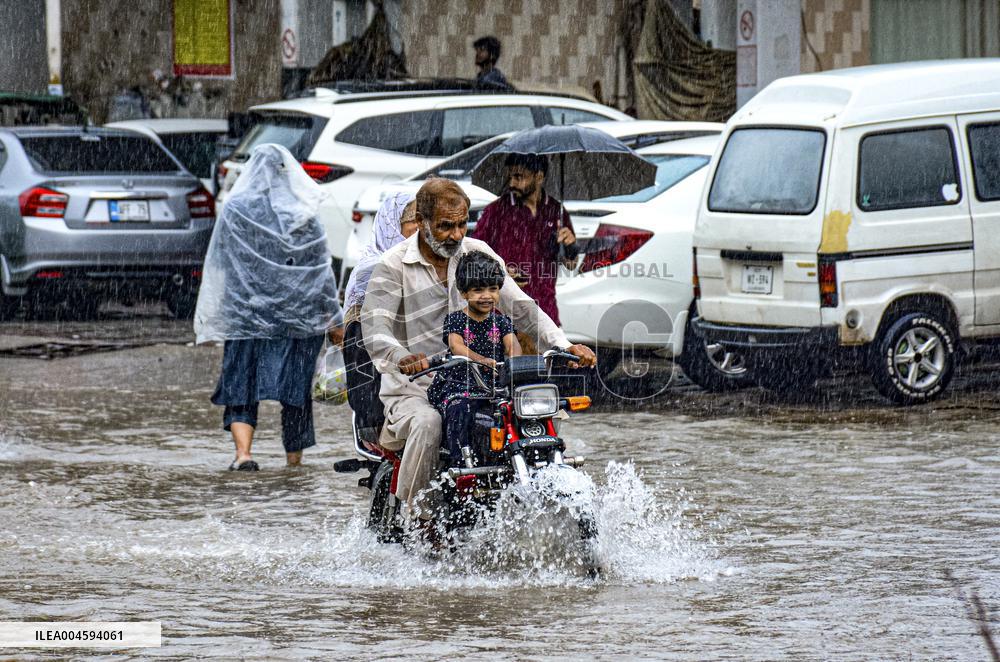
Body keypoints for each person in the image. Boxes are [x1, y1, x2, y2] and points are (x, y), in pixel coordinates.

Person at [361, 177, 595, 522]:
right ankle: (416, 519)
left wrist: (563, 344)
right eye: (444, 226)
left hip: (487, 382)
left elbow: (523, 308)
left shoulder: (478, 253)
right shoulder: (392, 265)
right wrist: (402, 358)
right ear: (422, 221)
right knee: (428, 424)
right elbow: (375, 329)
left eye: (461, 224)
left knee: (538, 418)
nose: (456, 235)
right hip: (418, 388)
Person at [194, 144, 343, 471]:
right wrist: (334, 319)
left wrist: (218, 314)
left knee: (241, 385)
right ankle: (294, 462)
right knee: (296, 391)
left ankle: (243, 454)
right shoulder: (303, 212)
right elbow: (320, 272)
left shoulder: (235, 209)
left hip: (247, 314)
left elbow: (220, 263)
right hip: (298, 317)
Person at [426, 250, 521, 464]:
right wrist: (482, 360)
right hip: (460, 384)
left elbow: (512, 345)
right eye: (478, 290)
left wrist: (515, 363)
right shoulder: (456, 320)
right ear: (463, 293)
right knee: (460, 408)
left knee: (519, 409)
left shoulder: (502, 322)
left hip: (494, 386)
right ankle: (460, 462)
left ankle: (515, 458)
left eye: (493, 289)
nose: (486, 296)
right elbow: (457, 346)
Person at [471, 153, 579, 326]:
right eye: (510, 177)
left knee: (548, 353)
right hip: (505, 313)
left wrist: (571, 246)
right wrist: (501, 271)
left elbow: (571, 264)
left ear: (539, 177)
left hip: (545, 310)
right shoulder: (496, 211)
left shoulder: (556, 210)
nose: (512, 183)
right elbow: (474, 255)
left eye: (519, 177)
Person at [342, 193, 418, 428]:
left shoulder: (428, 262)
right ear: (392, 225)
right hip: (378, 375)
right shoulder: (372, 268)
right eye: (415, 220)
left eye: (425, 219)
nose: (421, 227)